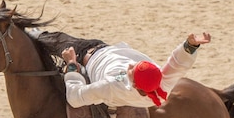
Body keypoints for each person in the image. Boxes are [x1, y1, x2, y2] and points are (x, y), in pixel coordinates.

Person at [61, 33, 211, 108]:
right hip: (107, 52)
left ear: (134, 85)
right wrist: (190, 46)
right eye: (137, 64)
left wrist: (72, 65)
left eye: (131, 71)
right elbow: (177, 65)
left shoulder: (111, 86)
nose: (130, 65)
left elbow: (75, 98)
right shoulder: (162, 85)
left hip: (89, 57)